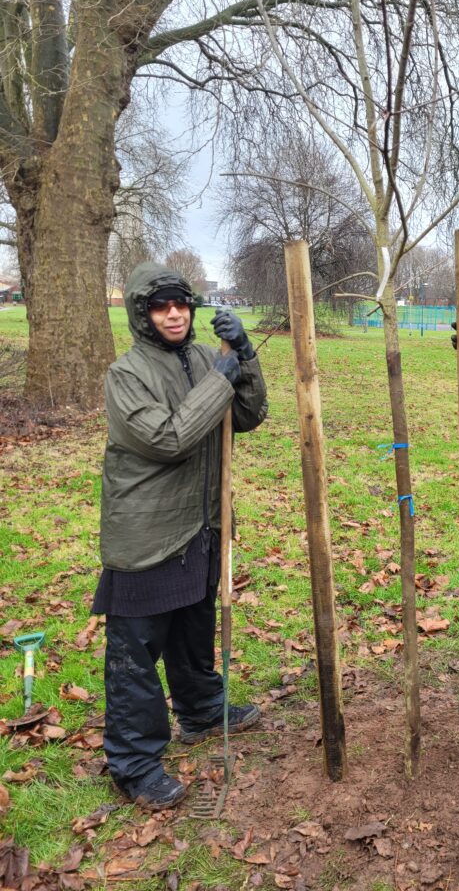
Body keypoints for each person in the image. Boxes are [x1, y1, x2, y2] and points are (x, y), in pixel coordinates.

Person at [93, 263, 268, 808]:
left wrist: (246, 360)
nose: (174, 314)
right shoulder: (126, 375)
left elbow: (248, 415)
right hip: (147, 532)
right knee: (138, 651)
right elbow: (169, 439)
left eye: (181, 305)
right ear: (143, 315)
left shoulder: (199, 357)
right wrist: (222, 374)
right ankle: (133, 762)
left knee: (194, 628)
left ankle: (199, 711)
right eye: (161, 306)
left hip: (202, 522)